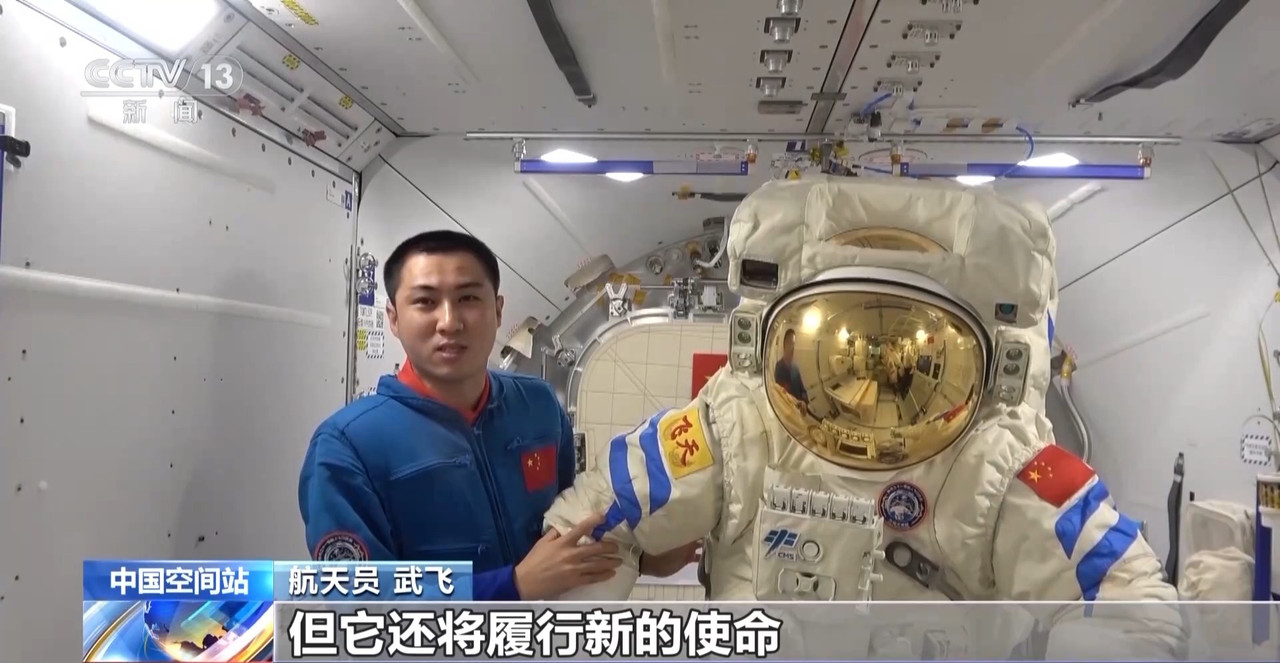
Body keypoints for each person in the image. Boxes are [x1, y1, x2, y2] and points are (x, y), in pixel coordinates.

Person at [542, 176, 1186, 658]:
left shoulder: (997, 458)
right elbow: (596, 522)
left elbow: (1128, 599)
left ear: (986, 365)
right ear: (776, 344)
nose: (873, 378)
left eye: (903, 359)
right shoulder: (740, 424)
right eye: (841, 355)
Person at [297, 230, 697, 600]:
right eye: (425, 302)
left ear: (498, 310)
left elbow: (567, 529)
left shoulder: (537, 406)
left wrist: (642, 557)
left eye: (469, 298)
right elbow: (355, 601)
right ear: (394, 318)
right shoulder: (348, 447)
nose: (449, 322)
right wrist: (513, 586)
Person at [773, 329, 809, 403]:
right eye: (790, 343)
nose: (792, 347)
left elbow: (803, 391)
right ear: (784, 345)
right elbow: (780, 394)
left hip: (799, 408)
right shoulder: (779, 367)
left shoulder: (795, 368)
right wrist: (796, 402)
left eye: (793, 343)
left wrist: (804, 402)